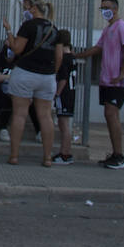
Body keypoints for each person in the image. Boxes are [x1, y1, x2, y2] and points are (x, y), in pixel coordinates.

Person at [71, 0, 124, 169]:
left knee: (111, 113)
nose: (104, 11)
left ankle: (119, 156)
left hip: (118, 80)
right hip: (107, 80)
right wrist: (76, 55)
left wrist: (122, 73)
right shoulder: (108, 30)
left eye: (107, 8)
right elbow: (98, 48)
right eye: (102, 8)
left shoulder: (122, 26)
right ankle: (115, 153)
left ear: (115, 8)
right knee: (109, 114)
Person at [2, 0, 60, 167]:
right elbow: (59, 56)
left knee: (20, 114)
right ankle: (48, 157)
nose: (25, 11)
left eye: (26, 8)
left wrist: (9, 31)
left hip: (25, 72)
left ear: (34, 8)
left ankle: (14, 156)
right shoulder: (54, 29)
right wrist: (52, 74)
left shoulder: (29, 25)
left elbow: (17, 48)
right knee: (46, 116)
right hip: (47, 76)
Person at [51, 28, 76, 165]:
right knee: (64, 124)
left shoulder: (64, 59)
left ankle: (65, 153)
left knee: (64, 124)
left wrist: (57, 94)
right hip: (71, 93)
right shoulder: (72, 57)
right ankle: (66, 151)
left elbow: (63, 79)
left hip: (64, 94)